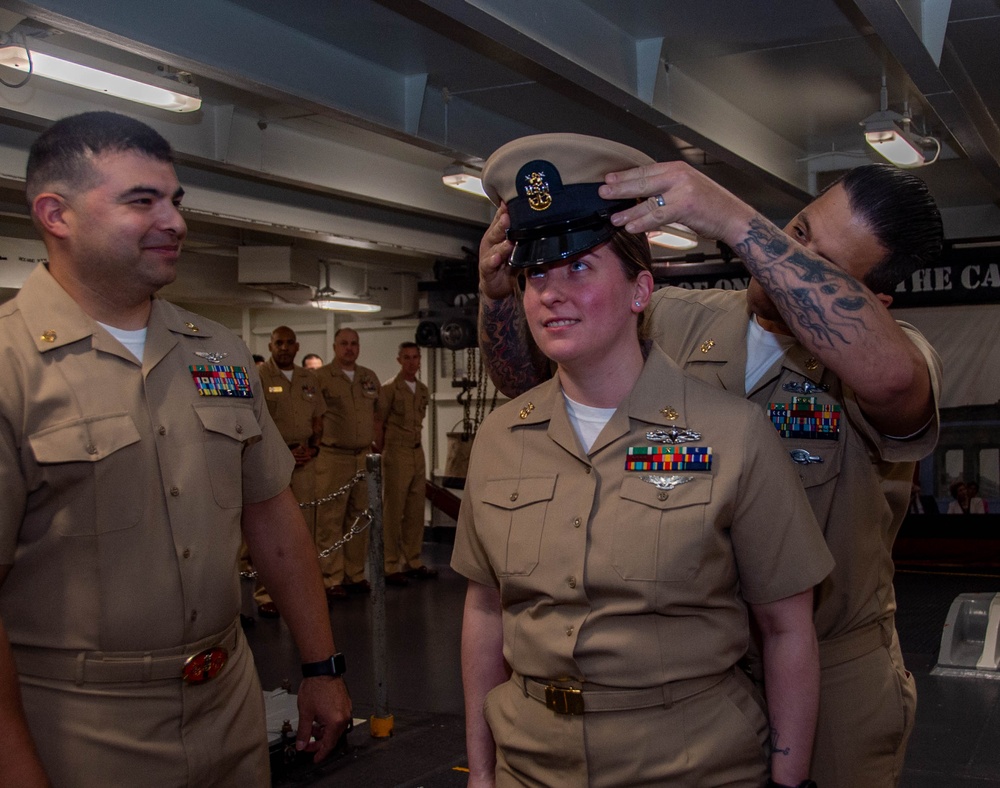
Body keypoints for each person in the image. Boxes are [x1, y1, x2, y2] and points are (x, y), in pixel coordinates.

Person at [479, 147, 943, 786]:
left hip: (832, 673)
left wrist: (732, 219)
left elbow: (892, 382)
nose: (784, 249)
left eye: (817, 259)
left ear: (875, 298)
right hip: (693, 676)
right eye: (798, 228)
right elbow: (523, 380)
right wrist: (498, 294)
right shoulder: (674, 318)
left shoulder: (886, 357)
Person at [0, 112, 351, 787]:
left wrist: (321, 666)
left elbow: (272, 520)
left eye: (176, 201)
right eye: (142, 200)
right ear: (56, 214)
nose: (175, 221)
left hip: (230, 707)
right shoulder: (12, 364)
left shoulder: (216, 350)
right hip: (78, 728)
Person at [254, 326, 325, 617]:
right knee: (268, 533)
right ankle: (264, 595)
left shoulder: (308, 378)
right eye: (278, 343)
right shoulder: (259, 377)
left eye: (288, 343)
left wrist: (314, 447)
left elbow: (318, 416)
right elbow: (255, 420)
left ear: (297, 347)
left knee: (308, 529)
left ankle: (305, 592)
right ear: (270, 346)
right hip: (273, 461)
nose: (283, 348)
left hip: (305, 460)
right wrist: (284, 451)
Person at [313, 328, 383, 599]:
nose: (349, 348)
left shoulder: (369, 377)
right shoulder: (321, 378)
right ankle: (330, 578)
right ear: (334, 346)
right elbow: (313, 417)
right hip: (333, 457)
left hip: (363, 457)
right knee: (330, 520)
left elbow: (377, 416)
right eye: (344, 343)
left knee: (360, 517)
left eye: (354, 343)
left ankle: (354, 575)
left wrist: (378, 444)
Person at [378, 342, 437, 586]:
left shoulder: (422, 390)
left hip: (416, 452)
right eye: (407, 358)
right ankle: (390, 564)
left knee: (414, 509)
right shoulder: (390, 389)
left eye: (415, 357)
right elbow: (379, 422)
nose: (412, 362)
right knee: (394, 510)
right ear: (399, 360)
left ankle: (412, 559)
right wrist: (381, 453)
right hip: (396, 452)